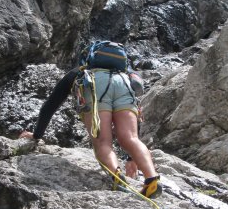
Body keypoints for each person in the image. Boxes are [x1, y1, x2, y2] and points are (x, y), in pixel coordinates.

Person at [20, 58, 162, 199]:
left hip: (94, 85)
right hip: (123, 85)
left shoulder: (78, 72)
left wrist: (36, 135)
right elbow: (134, 125)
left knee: (103, 142)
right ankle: (152, 180)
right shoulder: (123, 73)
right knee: (131, 138)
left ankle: (117, 178)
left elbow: (50, 106)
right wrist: (131, 157)